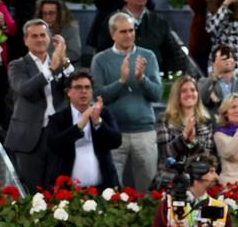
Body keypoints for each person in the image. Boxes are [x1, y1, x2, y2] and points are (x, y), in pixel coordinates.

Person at [91, 12, 162, 191]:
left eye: (131, 30)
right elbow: (98, 95)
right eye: (123, 31)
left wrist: (141, 79)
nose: (129, 35)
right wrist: (121, 81)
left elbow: (157, 95)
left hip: (144, 132)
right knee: (112, 190)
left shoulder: (148, 56)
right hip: (114, 133)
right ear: (112, 33)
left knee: (148, 190)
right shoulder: (100, 60)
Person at [6, 20, 73, 191]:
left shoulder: (59, 63)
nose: (39, 39)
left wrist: (64, 60)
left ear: (49, 38)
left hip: (56, 134)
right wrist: (51, 69)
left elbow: (76, 86)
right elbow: (24, 89)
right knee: (32, 191)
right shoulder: (17, 65)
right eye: (34, 36)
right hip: (29, 138)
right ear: (25, 40)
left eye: (43, 35)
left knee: (56, 190)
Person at [46, 70, 123, 188]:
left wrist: (98, 122)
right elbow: (54, 145)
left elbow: (116, 141)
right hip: (67, 192)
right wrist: (79, 126)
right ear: (68, 92)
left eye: (87, 87)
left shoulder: (103, 114)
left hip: (103, 189)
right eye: (78, 87)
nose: (83, 91)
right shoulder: (58, 118)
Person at [153, 75, 218, 192]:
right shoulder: (164, 119)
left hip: (199, 182)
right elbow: (166, 155)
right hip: (170, 180)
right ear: (176, 96)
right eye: (184, 91)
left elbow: (208, 157)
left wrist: (193, 142)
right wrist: (183, 137)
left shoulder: (207, 122)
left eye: (193, 90)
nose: (189, 94)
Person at [119, 0, 188, 78]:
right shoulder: (114, 20)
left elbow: (172, 51)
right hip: (122, 77)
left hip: (154, 77)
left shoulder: (159, 22)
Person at [198, 44, 238, 113]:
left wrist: (218, 101)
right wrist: (214, 78)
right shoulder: (204, 82)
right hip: (214, 123)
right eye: (223, 57)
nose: (227, 60)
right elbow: (201, 100)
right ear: (213, 63)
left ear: (234, 62)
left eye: (230, 57)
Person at [36, 0, 83, 67]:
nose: (47, 17)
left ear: (60, 14)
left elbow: (75, 54)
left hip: (64, 69)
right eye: (44, 13)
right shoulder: (37, 28)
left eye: (51, 13)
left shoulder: (70, 28)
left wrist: (55, 59)